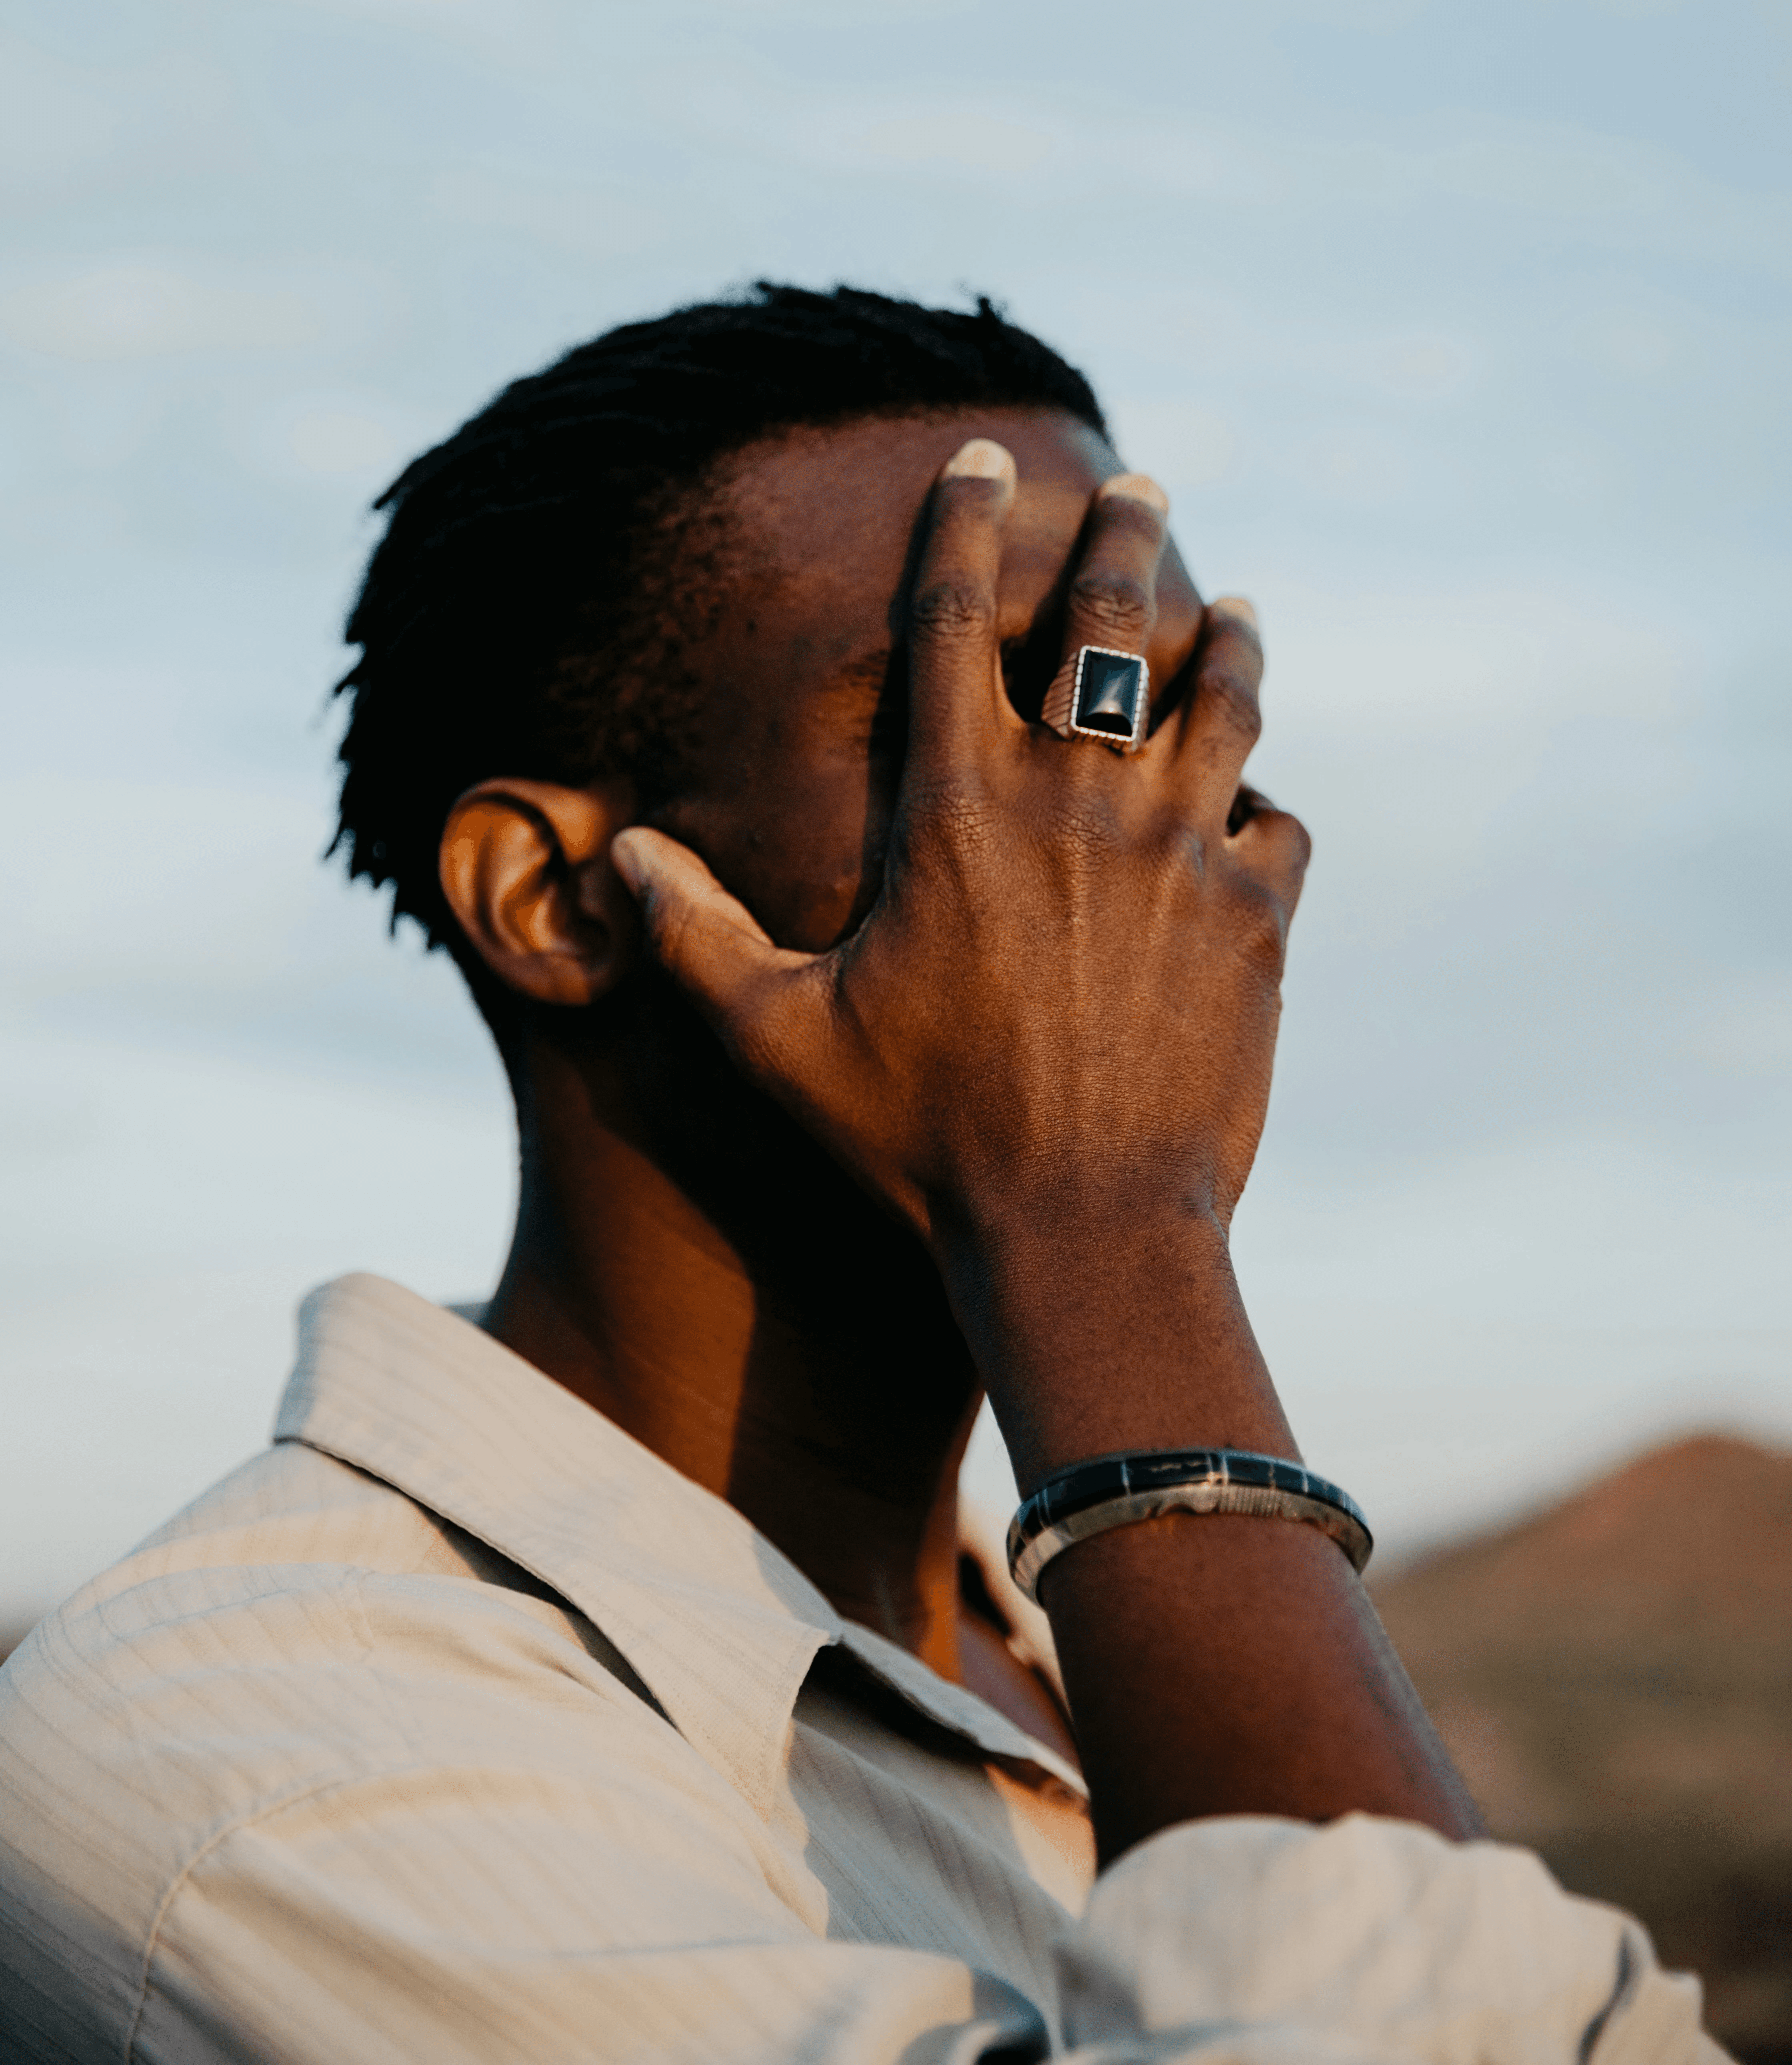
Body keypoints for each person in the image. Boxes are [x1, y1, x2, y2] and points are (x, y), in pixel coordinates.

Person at [0, 285, 1719, 2063]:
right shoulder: (256, 1766)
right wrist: (1108, 1227)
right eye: (975, 713)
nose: (1116, 833)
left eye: (1155, 714)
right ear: (558, 898)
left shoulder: (1079, 1657)